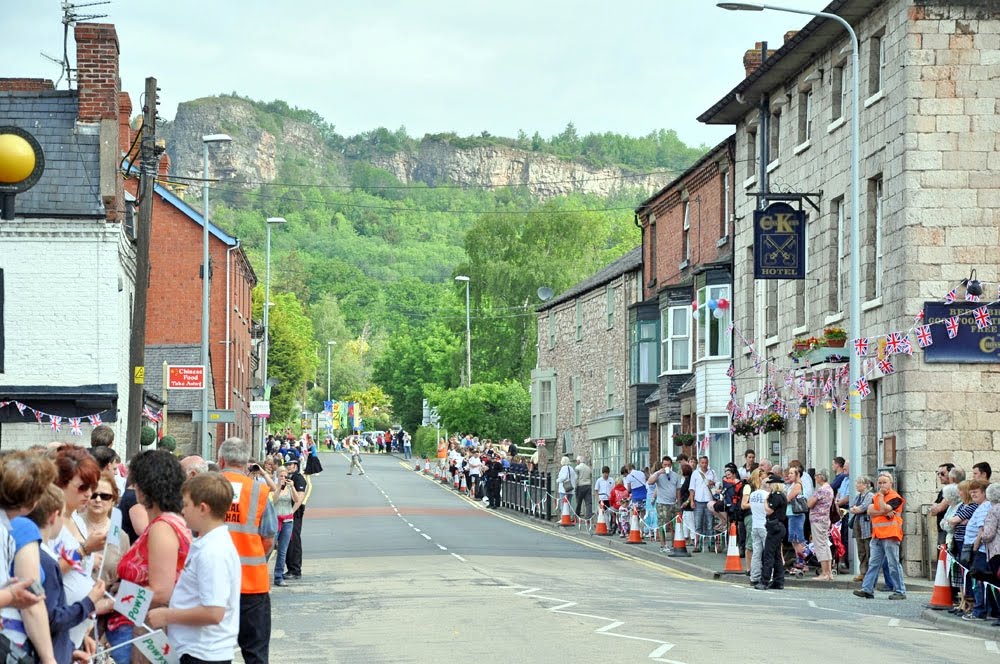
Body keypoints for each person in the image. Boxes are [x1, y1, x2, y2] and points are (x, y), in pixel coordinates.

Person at [147, 473, 242, 663]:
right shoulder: (207, 544)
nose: (183, 511)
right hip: (195, 649)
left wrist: (167, 616)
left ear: (203, 508)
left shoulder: (213, 552)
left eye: (186, 505)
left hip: (203, 652)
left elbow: (214, 612)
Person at [114, 449, 192, 663]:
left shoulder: (162, 527)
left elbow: (160, 591)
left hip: (151, 624)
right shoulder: (171, 522)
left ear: (142, 490)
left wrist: (114, 602)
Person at [28, 485, 106, 664]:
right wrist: (89, 602)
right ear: (55, 516)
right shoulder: (45, 560)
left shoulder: (40, 554)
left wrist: (69, 648)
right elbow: (52, 619)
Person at [218, 437, 277, 664]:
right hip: (252, 584)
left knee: (213, 652)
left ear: (221, 460)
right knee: (256, 654)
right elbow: (269, 538)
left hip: (213, 582)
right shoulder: (259, 492)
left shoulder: (203, 488)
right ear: (246, 464)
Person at [0, 451, 59, 664]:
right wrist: (10, 597)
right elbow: (31, 604)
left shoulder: (7, 528)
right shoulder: (11, 529)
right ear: (32, 502)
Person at [50, 444, 105, 654]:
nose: (89, 494)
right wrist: (83, 550)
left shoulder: (78, 521)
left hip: (75, 629)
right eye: (83, 487)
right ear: (60, 484)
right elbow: (48, 574)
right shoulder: (50, 522)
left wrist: (85, 632)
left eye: (92, 488)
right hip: (56, 624)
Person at [854, 472, 906, 600]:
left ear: (891, 483)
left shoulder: (896, 497)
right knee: (873, 563)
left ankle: (900, 591)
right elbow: (870, 511)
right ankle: (867, 589)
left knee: (893, 563)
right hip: (877, 535)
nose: (882, 485)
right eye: (880, 482)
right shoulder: (876, 496)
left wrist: (882, 499)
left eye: (884, 482)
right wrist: (883, 511)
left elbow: (883, 508)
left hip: (891, 535)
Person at [962, 479, 992, 621]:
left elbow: (981, 530)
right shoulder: (982, 506)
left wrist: (974, 547)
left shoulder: (984, 508)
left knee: (978, 581)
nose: (972, 494)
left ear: (984, 493)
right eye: (971, 492)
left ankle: (979, 611)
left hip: (978, 550)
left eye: (976, 492)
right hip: (978, 548)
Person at [271, 465, 303, 587]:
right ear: (277, 476)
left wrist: (292, 487)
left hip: (288, 521)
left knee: (282, 551)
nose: (283, 478)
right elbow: (273, 500)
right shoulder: (274, 487)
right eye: (281, 476)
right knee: (269, 549)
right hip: (276, 520)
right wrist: (279, 487)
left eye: (285, 476)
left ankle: (278, 576)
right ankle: (262, 574)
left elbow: (296, 499)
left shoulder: (290, 487)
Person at [977, 483, 1000, 626]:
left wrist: (981, 536)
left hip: (997, 551)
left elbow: (989, 534)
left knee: (997, 583)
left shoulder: (993, 510)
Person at [284, 458, 310, 581]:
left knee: (294, 541)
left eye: (290, 464)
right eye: (287, 464)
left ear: (296, 465)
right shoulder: (289, 478)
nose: (288, 466)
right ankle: (290, 569)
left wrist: (291, 513)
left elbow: (299, 499)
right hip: (287, 512)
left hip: (294, 513)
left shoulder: (298, 478)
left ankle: (295, 570)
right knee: (288, 541)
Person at [758, 478, 787, 590]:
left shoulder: (775, 496)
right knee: (776, 555)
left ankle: (764, 581)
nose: (769, 486)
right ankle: (778, 581)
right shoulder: (782, 495)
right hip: (779, 526)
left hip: (775, 527)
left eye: (770, 484)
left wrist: (765, 500)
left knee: (768, 554)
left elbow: (769, 510)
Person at [648, 457, 681, 551]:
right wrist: (658, 473)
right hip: (662, 503)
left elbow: (678, 490)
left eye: (668, 465)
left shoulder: (675, 475)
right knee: (662, 524)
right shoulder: (658, 474)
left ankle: (675, 544)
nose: (667, 466)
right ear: (662, 465)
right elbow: (650, 482)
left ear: (671, 465)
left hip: (673, 503)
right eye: (665, 465)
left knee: (673, 525)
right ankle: (663, 545)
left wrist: (678, 503)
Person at [807, 469, 835, 581]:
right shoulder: (830, 489)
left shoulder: (821, 490)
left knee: (820, 545)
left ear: (821, 477)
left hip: (818, 520)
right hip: (825, 519)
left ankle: (824, 573)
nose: (815, 478)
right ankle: (829, 572)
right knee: (825, 544)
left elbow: (810, 504)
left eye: (817, 476)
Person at [744, 469, 769, 587]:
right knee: (768, 552)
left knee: (756, 553)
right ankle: (768, 577)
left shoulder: (753, 495)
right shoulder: (766, 495)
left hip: (755, 525)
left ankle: (754, 577)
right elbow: (769, 510)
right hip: (763, 525)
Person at [848, 476, 875, 582]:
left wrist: (856, 509)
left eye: (859, 483)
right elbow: (852, 507)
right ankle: (863, 572)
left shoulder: (870, 495)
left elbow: (863, 507)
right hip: (857, 524)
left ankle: (869, 573)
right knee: (861, 550)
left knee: (868, 549)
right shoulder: (858, 496)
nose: (856, 485)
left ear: (865, 485)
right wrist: (856, 509)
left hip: (867, 525)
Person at [688, 456, 716, 552]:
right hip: (698, 501)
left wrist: (713, 483)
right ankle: (698, 545)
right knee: (698, 524)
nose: (704, 465)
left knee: (710, 524)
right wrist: (691, 501)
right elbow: (692, 488)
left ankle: (711, 544)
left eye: (705, 463)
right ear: (699, 463)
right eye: (702, 463)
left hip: (709, 501)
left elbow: (717, 486)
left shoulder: (712, 472)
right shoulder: (695, 474)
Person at [785, 466, 807, 571]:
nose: (789, 475)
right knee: (793, 539)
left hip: (796, 514)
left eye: (791, 473)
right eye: (789, 473)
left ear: (797, 474)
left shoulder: (797, 485)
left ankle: (802, 561)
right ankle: (800, 560)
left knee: (797, 538)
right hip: (791, 514)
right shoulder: (793, 485)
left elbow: (788, 498)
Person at [930, 463, 956, 548]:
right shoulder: (943, 491)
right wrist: (936, 506)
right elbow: (933, 510)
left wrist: (937, 506)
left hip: (949, 529)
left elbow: (938, 508)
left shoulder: (953, 490)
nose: (940, 476)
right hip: (942, 527)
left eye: (942, 473)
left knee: (945, 556)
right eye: (938, 474)